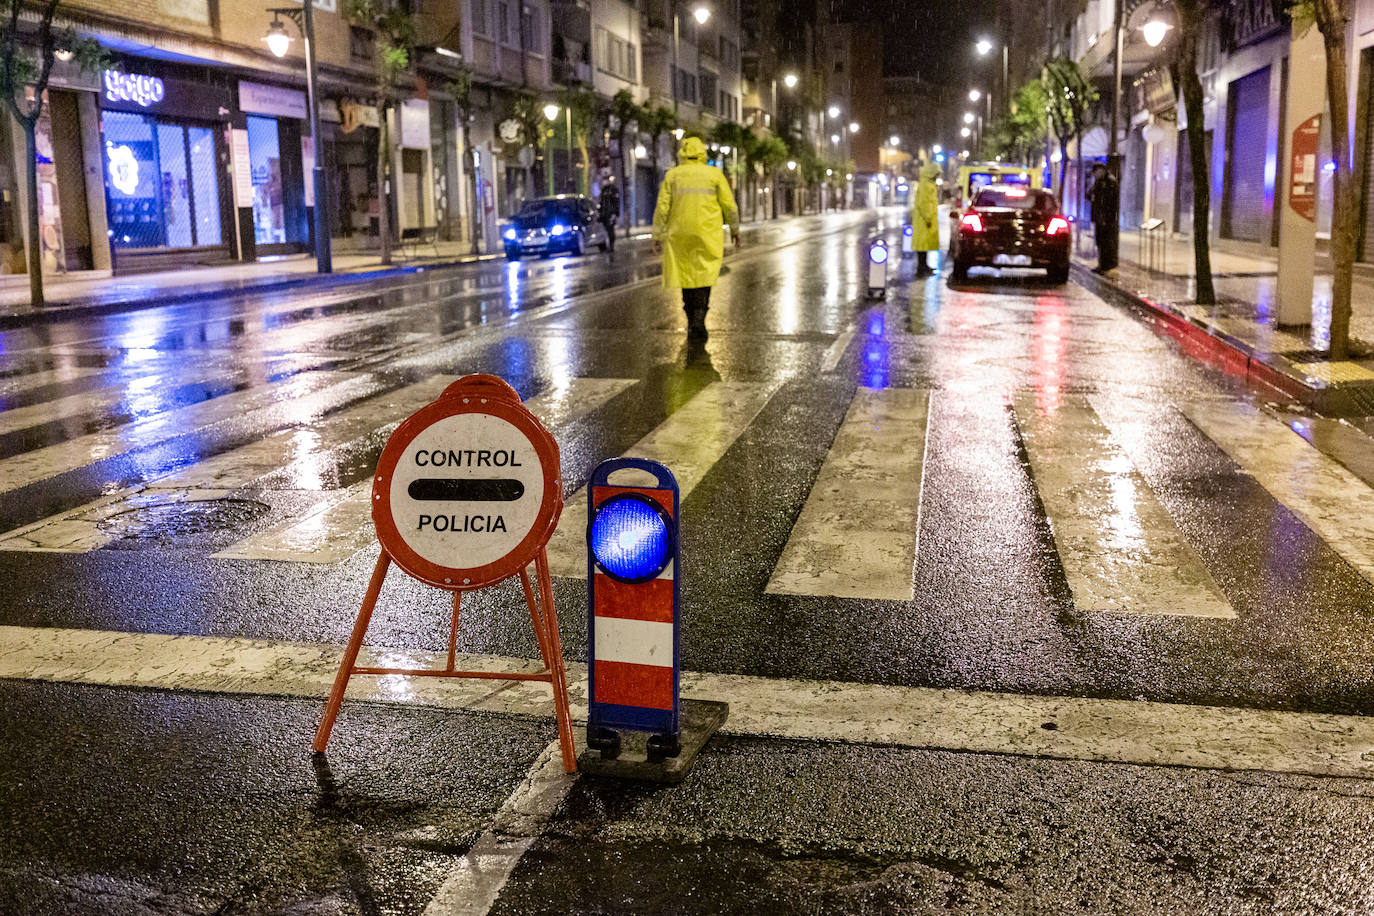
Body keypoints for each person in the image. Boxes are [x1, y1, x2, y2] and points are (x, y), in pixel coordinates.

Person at [653, 136, 740, 340]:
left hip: (679, 234)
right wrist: (735, 230)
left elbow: (662, 207)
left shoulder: (673, 175)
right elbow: (730, 206)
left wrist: (657, 234)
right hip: (707, 233)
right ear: (702, 152)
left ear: (682, 152)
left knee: (685, 276)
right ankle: (700, 316)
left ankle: (691, 316)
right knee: (704, 275)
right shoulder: (714, 174)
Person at [1087, 162, 1120, 274]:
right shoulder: (1098, 182)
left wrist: (1107, 217)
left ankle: (1107, 265)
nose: (1095, 175)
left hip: (1106, 219)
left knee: (1106, 242)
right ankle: (1101, 264)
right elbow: (1089, 195)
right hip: (1099, 217)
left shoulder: (1110, 182)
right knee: (1100, 242)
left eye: (1096, 172)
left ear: (1101, 170)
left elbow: (1110, 202)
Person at [910, 162, 940, 277]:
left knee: (925, 245)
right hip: (924, 221)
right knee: (922, 245)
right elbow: (924, 203)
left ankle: (923, 266)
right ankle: (921, 268)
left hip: (927, 220)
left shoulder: (928, 184)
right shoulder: (925, 185)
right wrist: (928, 218)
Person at [598, 178, 620, 254]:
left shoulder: (613, 190)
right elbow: (601, 203)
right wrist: (600, 213)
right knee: (604, 231)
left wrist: (615, 214)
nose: (604, 182)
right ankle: (604, 247)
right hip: (604, 214)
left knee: (610, 230)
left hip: (610, 214)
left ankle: (611, 246)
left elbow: (616, 203)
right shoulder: (603, 190)